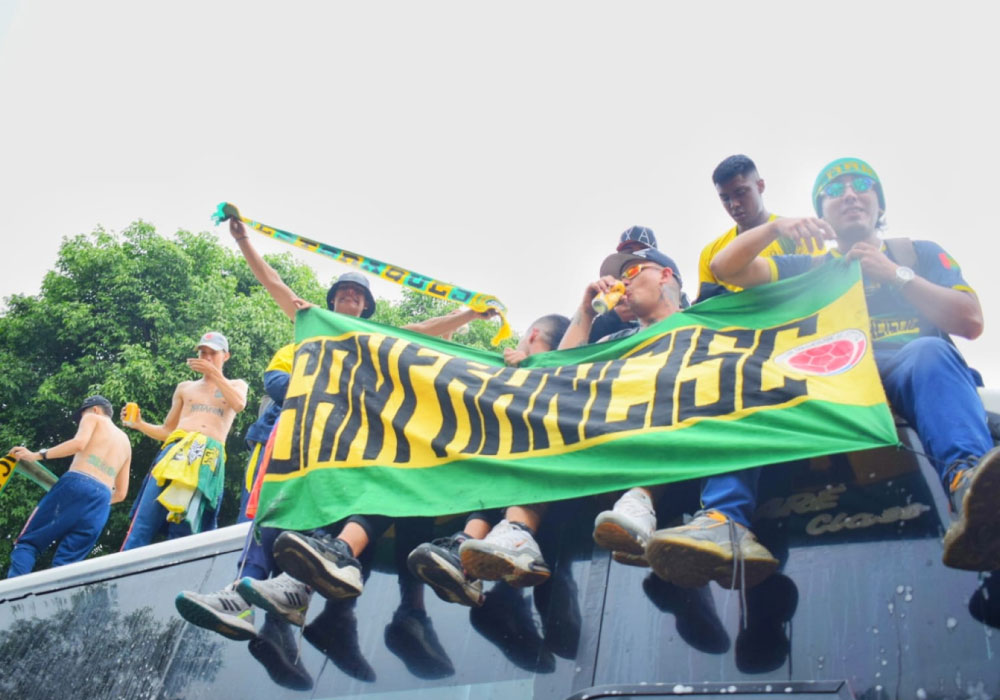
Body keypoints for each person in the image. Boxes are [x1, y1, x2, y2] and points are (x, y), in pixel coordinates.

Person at [174, 217, 495, 643]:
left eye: (358, 293)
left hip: (354, 442)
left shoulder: (374, 335)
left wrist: (471, 312)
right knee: (277, 507)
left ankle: (301, 592)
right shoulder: (312, 322)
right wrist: (243, 240)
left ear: (365, 307)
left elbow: (422, 331)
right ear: (331, 299)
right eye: (343, 290)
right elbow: (275, 286)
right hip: (306, 438)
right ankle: (239, 597)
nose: (349, 295)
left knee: (334, 513)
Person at [708, 156, 999, 573]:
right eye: (833, 189)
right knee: (749, 371)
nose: (849, 194)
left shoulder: (915, 254)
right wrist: (773, 227)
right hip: (832, 381)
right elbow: (725, 269)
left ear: (879, 203)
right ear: (821, 211)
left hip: (913, 371)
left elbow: (970, 321)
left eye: (861, 184)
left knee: (927, 352)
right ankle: (722, 521)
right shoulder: (809, 268)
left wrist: (895, 274)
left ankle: (971, 492)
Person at [404, 314, 571, 607]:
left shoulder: (563, 371)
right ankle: (464, 552)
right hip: (500, 482)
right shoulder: (507, 371)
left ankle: (517, 538)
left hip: (546, 482)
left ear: (532, 335)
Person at [120, 331, 248, 549]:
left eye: (212, 354)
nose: (206, 358)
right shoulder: (185, 387)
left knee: (187, 527)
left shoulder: (236, 384)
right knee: (145, 519)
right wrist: (140, 424)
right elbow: (168, 430)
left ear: (226, 356)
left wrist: (214, 375)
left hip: (207, 456)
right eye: (203, 353)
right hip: (175, 450)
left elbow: (238, 404)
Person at [6, 396, 131, 577]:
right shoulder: (126, 442)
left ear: (96, 409)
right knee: (67, 565)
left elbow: (78, 444)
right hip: (102, 500)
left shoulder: (93, 417)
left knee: (28, 543)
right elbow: (121, 493)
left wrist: (37, 455)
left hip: (77, 481)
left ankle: (11, 600)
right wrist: (91, 500)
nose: (81, 420)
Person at [696, 154, 821, 304]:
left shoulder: (799, 232)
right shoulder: (711, 253)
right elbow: (706, 309)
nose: (734, 204)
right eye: (725, 198)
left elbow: (818, 284)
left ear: (760, 186)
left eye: (740, 192)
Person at [588, 226, 657, 342]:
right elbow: (577, 349)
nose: (635, 255)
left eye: (642, 250)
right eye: (629, 250)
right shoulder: (605, 295)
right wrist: (613, 317)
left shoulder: (675, 295)